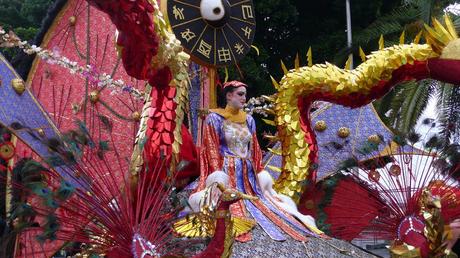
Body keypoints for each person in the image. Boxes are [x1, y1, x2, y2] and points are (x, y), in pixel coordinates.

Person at [193, 80, 324, 242]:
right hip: (226, 170)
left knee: (265, 204)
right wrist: (218, 178)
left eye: (245, 95)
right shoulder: (214, 118)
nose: (244, 99)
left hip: (248, 175)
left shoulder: (248, 120)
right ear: (228, 95)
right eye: (240, 94)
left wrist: (259, 170)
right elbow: (211, 149)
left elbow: (254, 149)